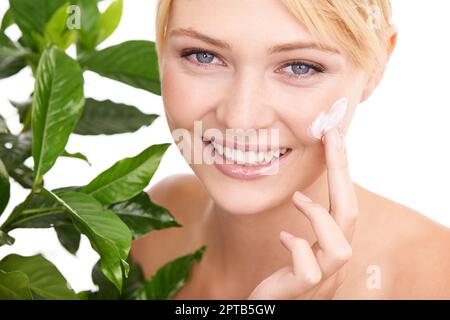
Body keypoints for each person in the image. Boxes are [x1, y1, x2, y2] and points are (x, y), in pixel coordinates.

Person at [131, 0, 450, 299]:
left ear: (376, 65)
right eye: (203, 56)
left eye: (300, 67)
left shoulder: (435, 280)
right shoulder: (154, 223)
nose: (241, 119)